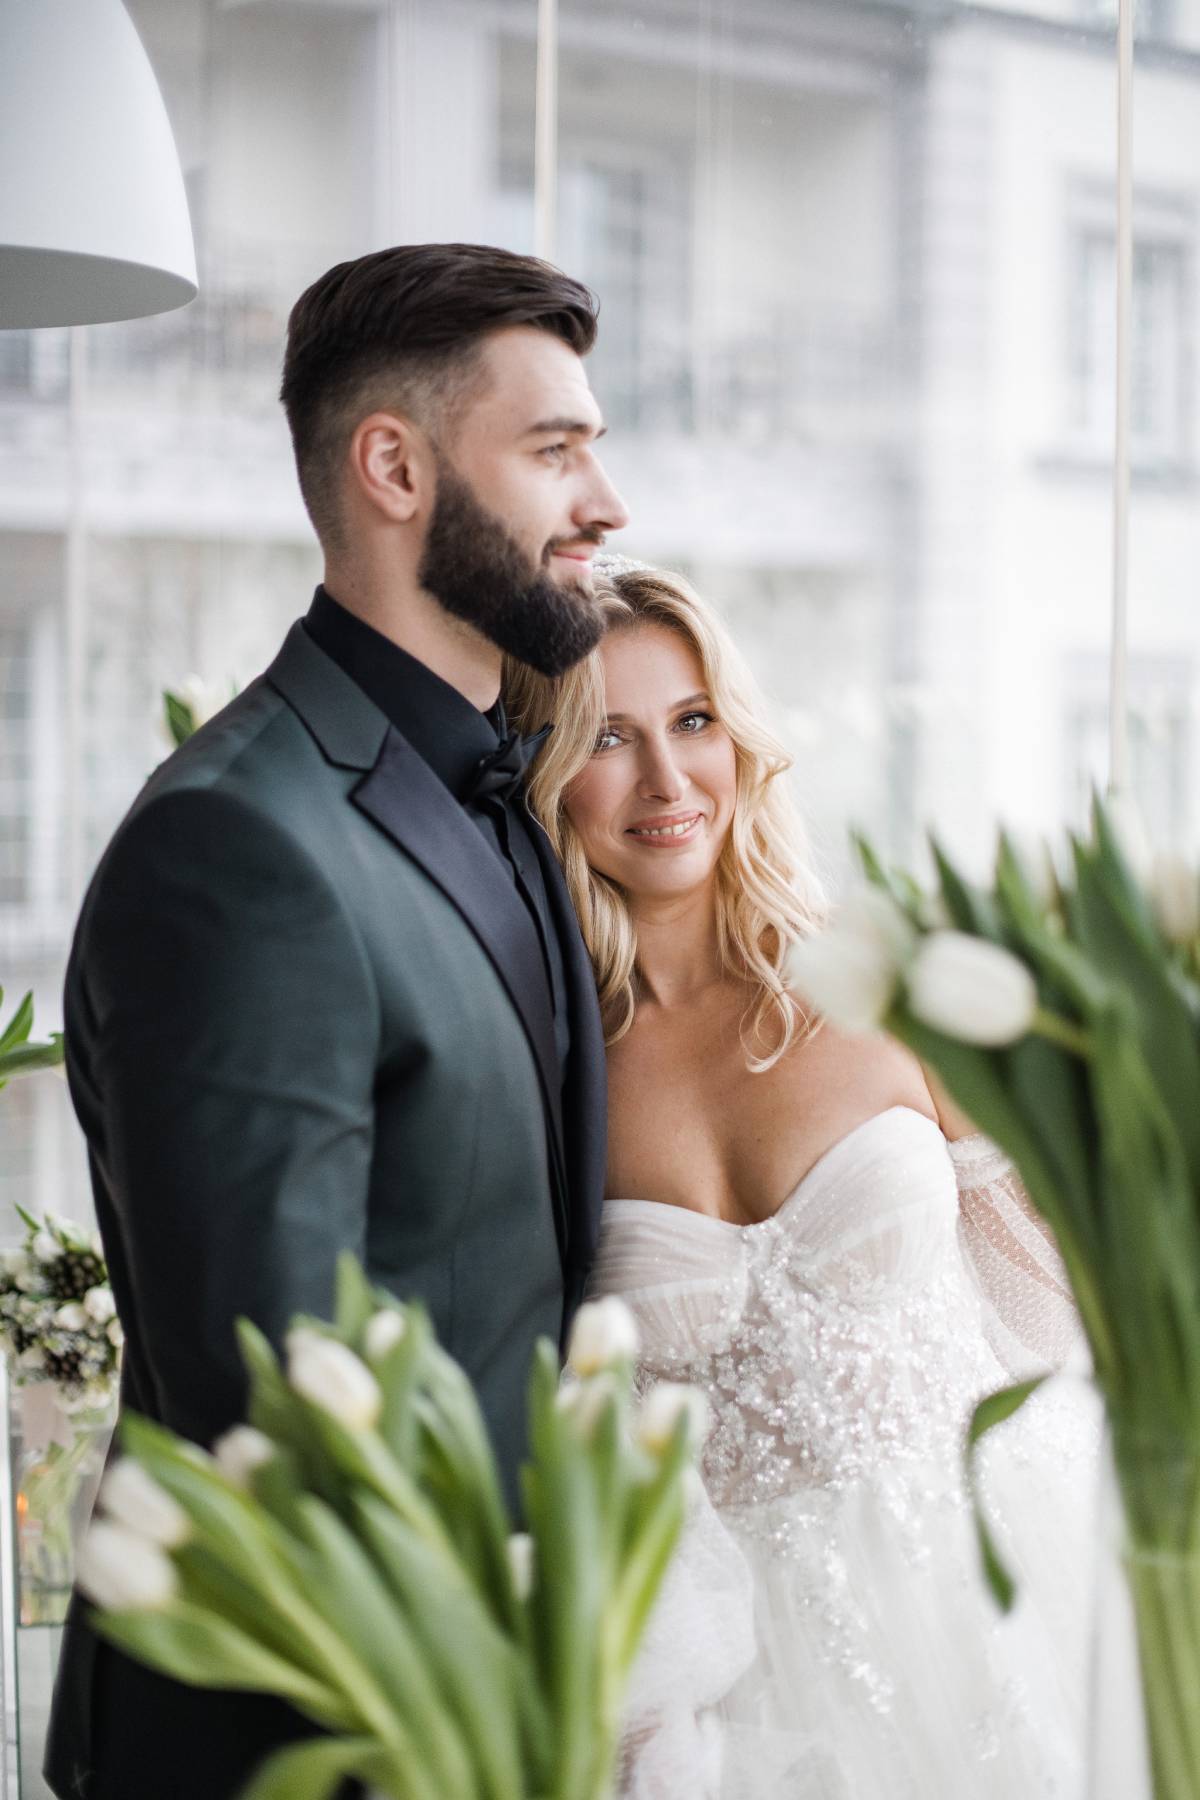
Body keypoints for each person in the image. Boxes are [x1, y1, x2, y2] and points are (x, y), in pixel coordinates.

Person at [46, 242, 628, 1800]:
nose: (607, 501)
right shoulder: (236, 844)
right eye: (556, 449)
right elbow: (271, 1398)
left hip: (483, 1701)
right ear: (395, 466)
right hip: (308, 1728)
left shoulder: (502, 782)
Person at [505, 556, 1099, 1798]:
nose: (668, 780)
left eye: (694, 721)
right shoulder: (550, 1077)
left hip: (993, 1610)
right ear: (549, 775)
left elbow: (1059, 1310)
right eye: (608, 737)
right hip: (732, 1689)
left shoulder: (886, 978)